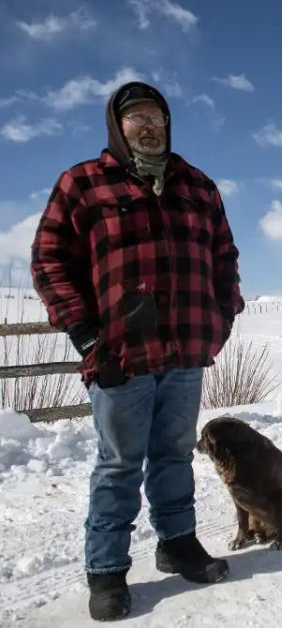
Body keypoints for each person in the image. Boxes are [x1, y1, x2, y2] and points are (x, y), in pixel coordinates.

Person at [30, 81, 244, 621]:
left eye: (157, 116)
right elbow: (49, 261)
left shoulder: (198, 186)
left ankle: (177, 543)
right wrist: (86, 336)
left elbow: (225, 257)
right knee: (119, 463)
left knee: (174, 454)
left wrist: (219, 319)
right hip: (118, 356)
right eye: (136, 118)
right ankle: (106, 571)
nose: (149, 126)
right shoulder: (83, 183)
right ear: (117, 127)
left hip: (186, 351)